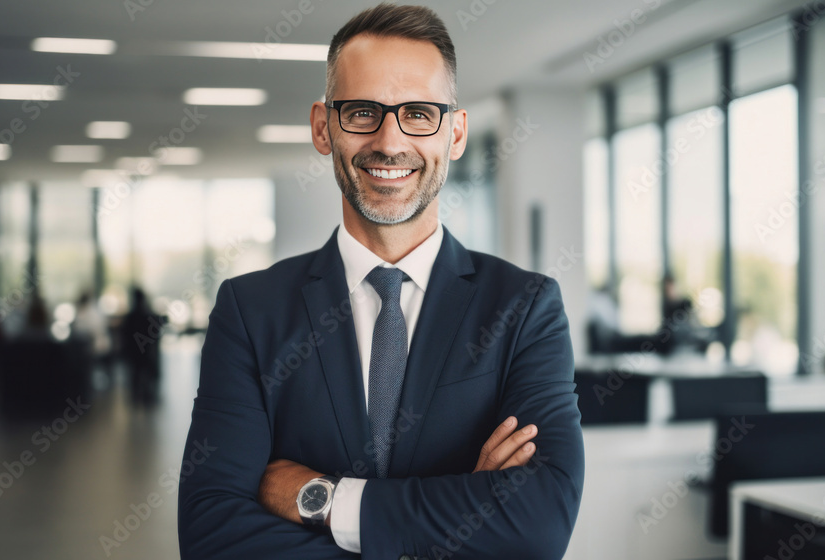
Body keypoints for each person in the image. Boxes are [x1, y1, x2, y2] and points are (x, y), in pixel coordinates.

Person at [177, 5, 584, 559]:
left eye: (419, 113)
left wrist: (321, 500)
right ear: (323, 127)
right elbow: (212, 535)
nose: (390, 142)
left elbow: (539, 523)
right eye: (363, 111)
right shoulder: (251, 311)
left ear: (455, 133)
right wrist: (464, 513)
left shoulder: (524, 308)